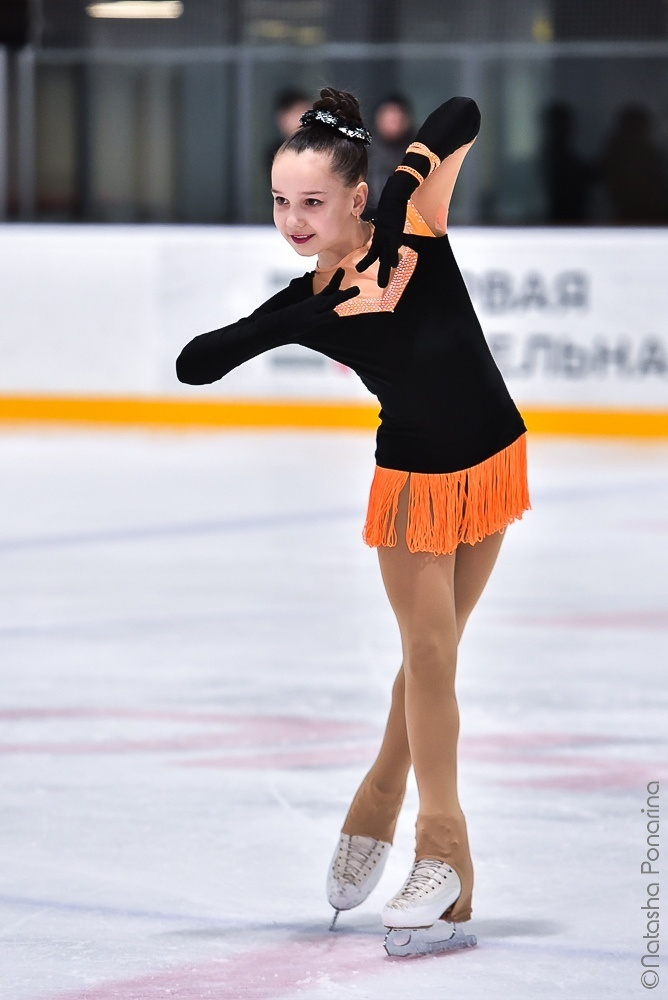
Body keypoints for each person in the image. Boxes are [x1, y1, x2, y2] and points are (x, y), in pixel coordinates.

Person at [176, 87, 530, 958]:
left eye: (312, 202)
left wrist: (410, 184)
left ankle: (379, 790)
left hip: (492, 463)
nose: (293, 221)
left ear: (355, 198)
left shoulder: (417, 222)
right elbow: (197, 364)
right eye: (280, 203)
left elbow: (463, 109)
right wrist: (312, 315)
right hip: (412, 483)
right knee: (431, 653)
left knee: (430, 658)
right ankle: (441, 848)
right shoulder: (315, 291)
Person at [366, 93, 415, 212]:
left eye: (398, 116)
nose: (395, 121)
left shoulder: (419, 151)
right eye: (390, 116)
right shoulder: (364, 150)